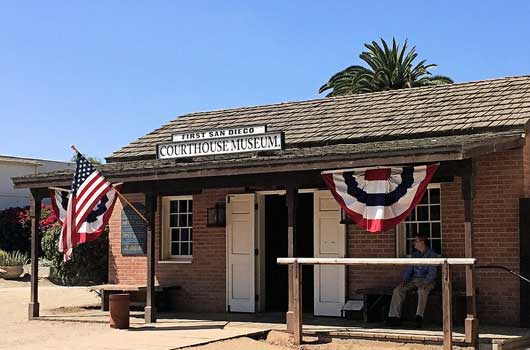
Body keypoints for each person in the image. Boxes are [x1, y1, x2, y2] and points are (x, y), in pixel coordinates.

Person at [386, 233, 439, 328]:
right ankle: (394, 317)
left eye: (416, 241)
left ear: (422, 242)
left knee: (422, 291)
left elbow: (432, 273)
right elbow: (409, 269)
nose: (414, 243)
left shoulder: (432, 255)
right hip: (414, 280)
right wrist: (404, 280)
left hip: (427, 281)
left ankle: (419, 317)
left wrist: (425, 283)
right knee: (398, 290)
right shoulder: (415, 255)